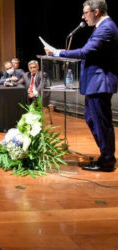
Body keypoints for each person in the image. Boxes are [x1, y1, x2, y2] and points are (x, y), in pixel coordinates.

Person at [45, 0, 118, 172]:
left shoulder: (106, 27)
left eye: (86, 13)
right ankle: (106, 155)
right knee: (92, 118)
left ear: (97, 11)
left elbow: (85, 52)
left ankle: (107, 161)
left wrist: (58, 52)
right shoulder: (103, 27)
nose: (83, 17)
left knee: (101, 122)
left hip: (100, 83)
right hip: (96, 83)